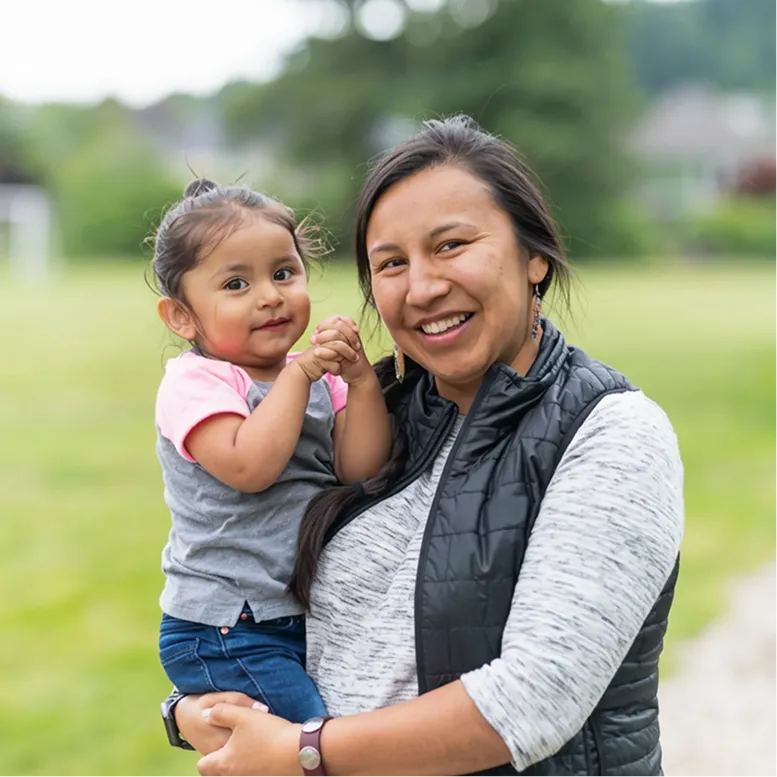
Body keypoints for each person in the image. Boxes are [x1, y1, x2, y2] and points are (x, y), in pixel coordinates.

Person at [164, 117, 684, 777]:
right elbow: (254, 591)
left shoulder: (610, 433)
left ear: (534, 256)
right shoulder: (368, 413)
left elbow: (533, 699)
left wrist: (304, 751)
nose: (421, 286)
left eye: (451, 245)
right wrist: (187, 707)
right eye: (390, 263)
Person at [152, 179, 392, 725]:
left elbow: (358, 469)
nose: (269, 295)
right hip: (225, 626)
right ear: (182, 317)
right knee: (308, 737)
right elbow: (250, 468)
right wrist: (302, 374)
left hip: (290, 617)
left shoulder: (310, 378)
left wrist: (361, 383)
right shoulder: (197, 382)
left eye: (284, 273)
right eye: (236, 284)